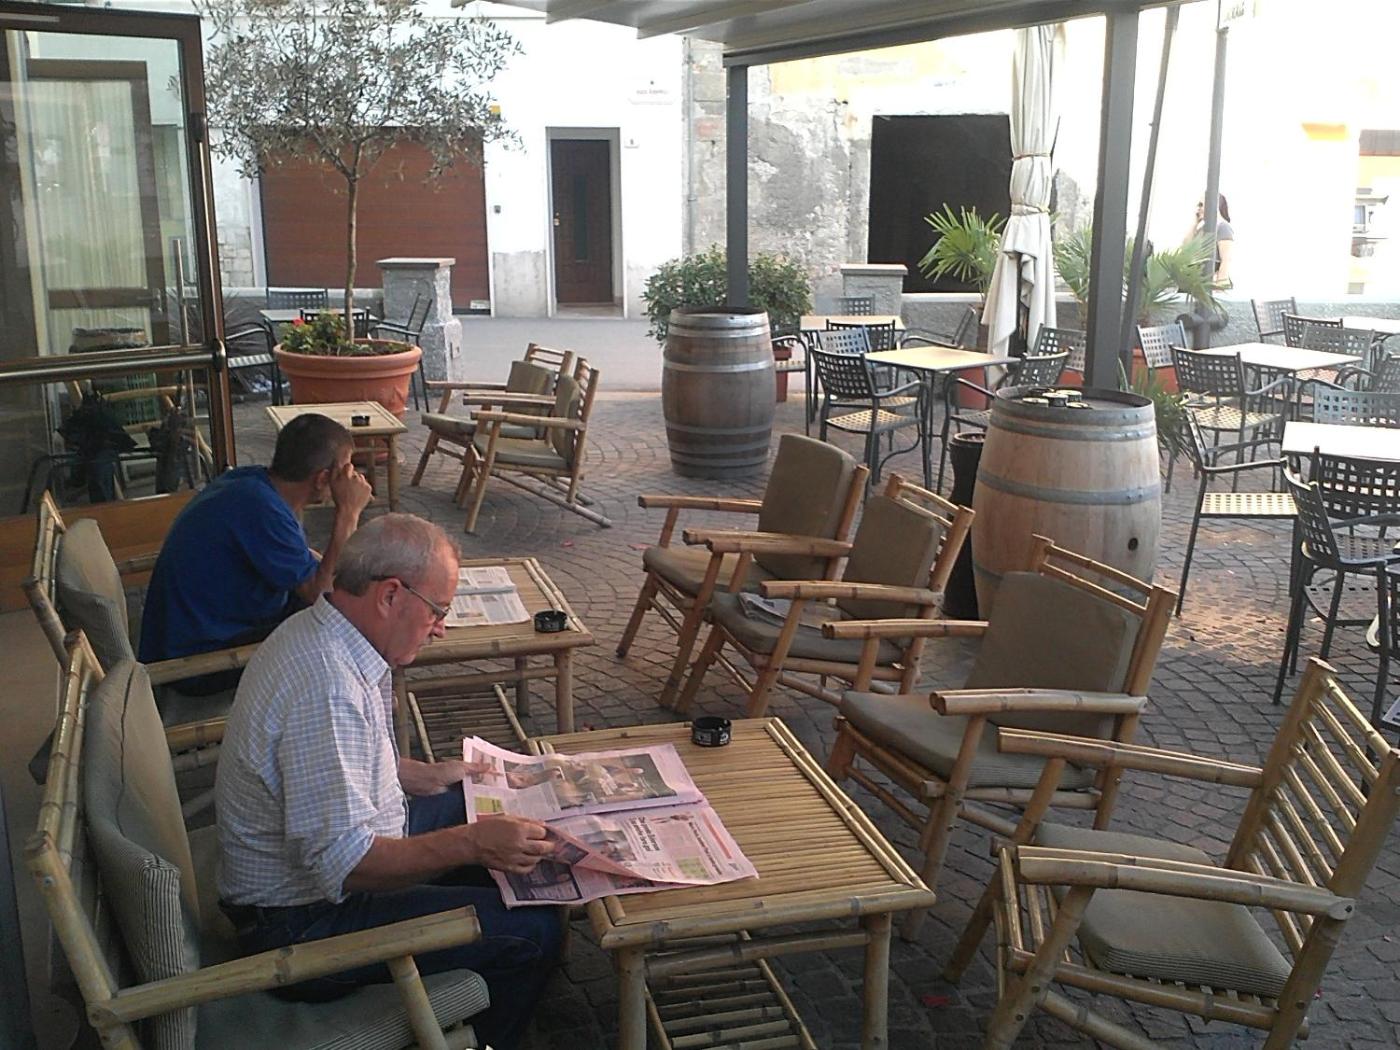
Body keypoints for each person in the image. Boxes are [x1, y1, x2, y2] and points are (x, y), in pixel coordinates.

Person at [214, 514, 561, 1050]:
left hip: (329, 870)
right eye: (438, 610)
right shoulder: (326, 687)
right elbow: (345, 863)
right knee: (537, 929)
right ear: (391, 595)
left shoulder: (326, 632)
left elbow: (324, 765)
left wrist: (415, 773)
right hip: (301, 925)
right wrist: (470, 843)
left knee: (488, 809)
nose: (441, 627)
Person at [138, 413, 373, 693]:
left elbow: (299, 558)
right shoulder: (261, 508)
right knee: (342, 621)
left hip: (204, 630)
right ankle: (352, 701)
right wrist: (348, 512)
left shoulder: (252, 484)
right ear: (322, 478)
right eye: (346, 469)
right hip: (196, 660)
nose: (352, 478)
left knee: (351, 609)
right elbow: (320, 594)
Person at [1186, 192, 1234, 287]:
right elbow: (1185, 249)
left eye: (1201, 205)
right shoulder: (1201, 230)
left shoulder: (1222, 227)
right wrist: (1195, 223)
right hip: (1196, 283)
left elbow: (1226, 259)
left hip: (1211, 283)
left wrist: (1220, 284)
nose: (1198, 208)